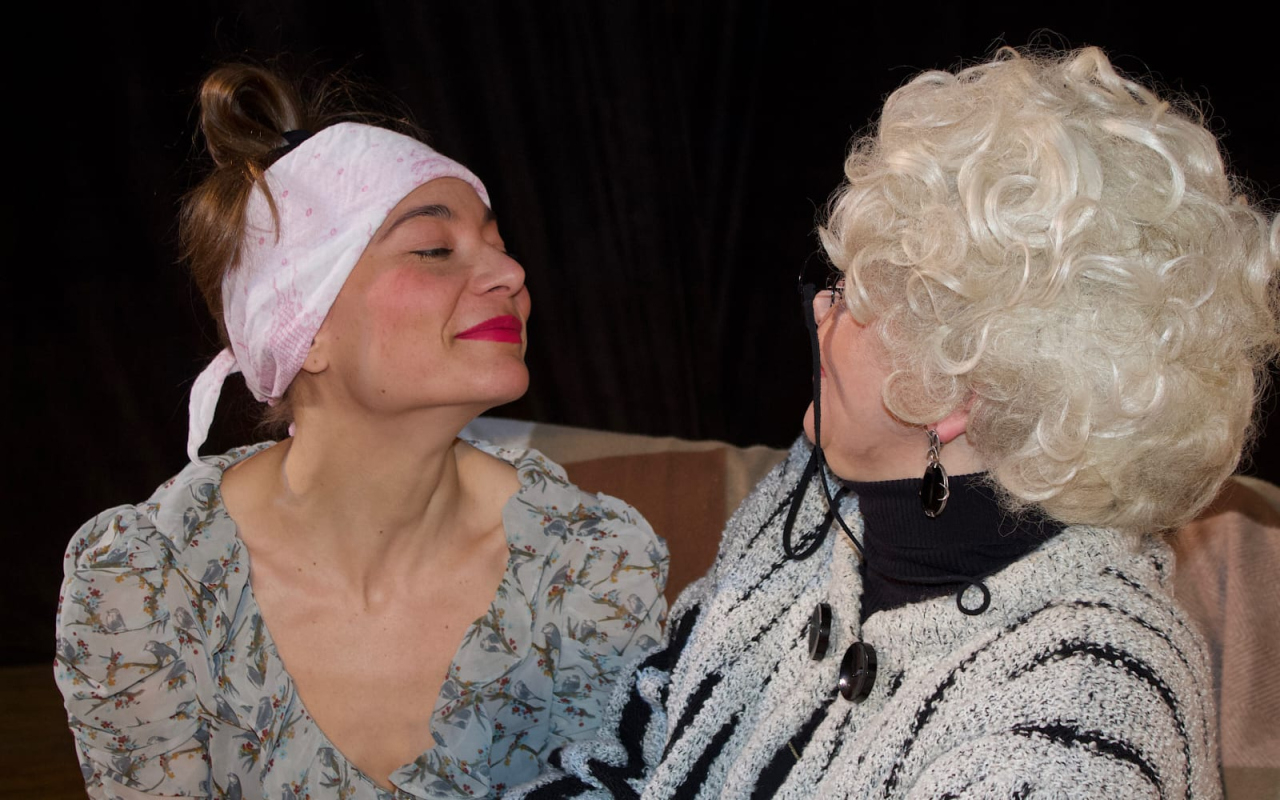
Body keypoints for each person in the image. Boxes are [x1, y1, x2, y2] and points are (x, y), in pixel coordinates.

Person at [510, 46, 1276, 798]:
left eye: (852, 295)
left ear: (956, 396)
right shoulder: (817, 506)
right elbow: (631, 756)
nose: (820, 308)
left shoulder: (1075, 732)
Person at [54, 64, 668, 799]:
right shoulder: (149, 584)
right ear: (303, 329)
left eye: (498, 242)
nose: (510, 272)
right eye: (434, 249)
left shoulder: (588, 565)